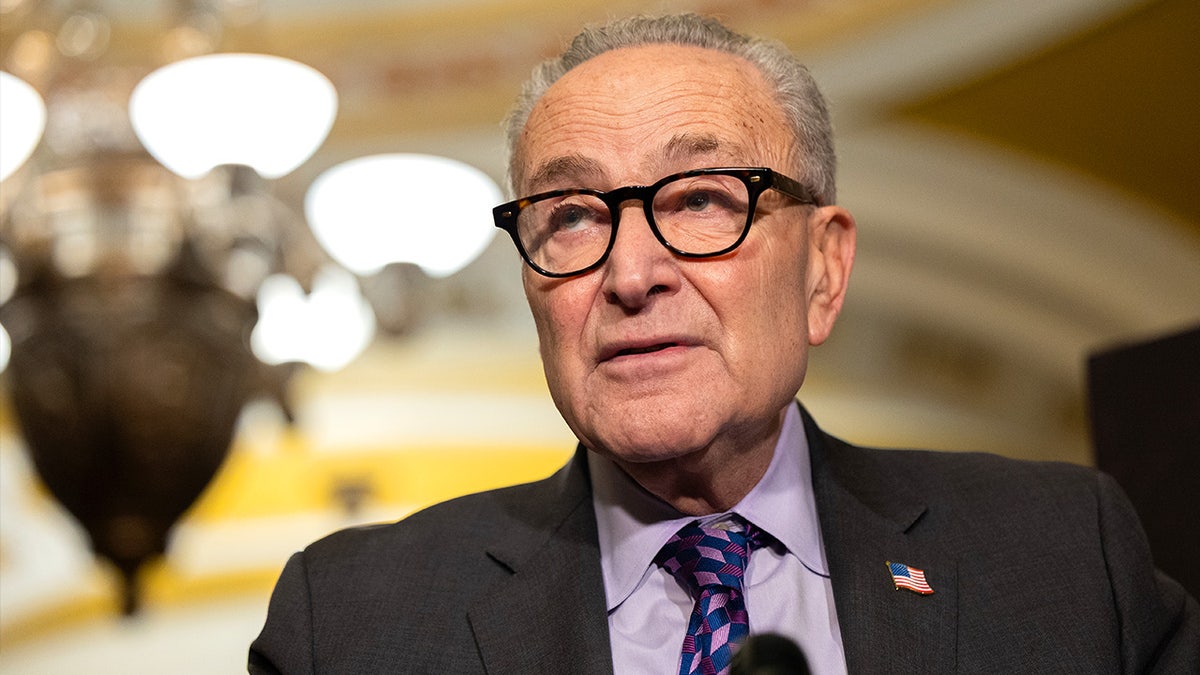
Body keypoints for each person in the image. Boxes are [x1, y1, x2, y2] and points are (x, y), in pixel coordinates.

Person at [249, 13, 1198, 674]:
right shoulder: (351, 622)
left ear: (824, 270)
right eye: (573, 216)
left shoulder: (1063, 558)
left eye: (703, 199)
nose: (630, 275)